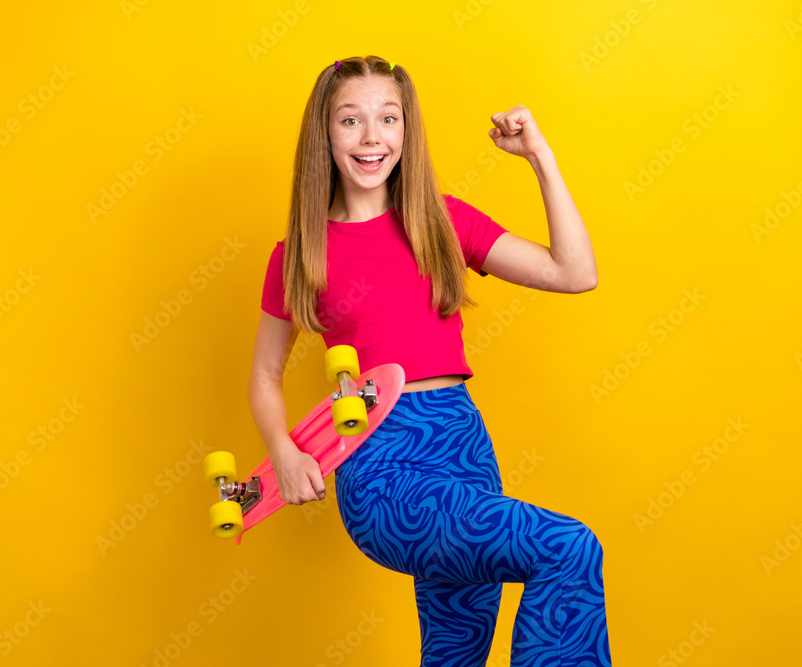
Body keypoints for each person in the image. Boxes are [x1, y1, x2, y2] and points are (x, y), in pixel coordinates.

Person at [249, 55, 611, 667]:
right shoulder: (300, 252)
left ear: (405, 131)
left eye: (388, 119)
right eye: (350, 121)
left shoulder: (440, 221)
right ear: (325, 135)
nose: (372, 138)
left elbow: (573, 273)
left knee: (454, 653)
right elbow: (263, 374)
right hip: (383, 467)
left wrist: (539, 157)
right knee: (566, 546)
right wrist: (283, 451)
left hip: (463, 445)